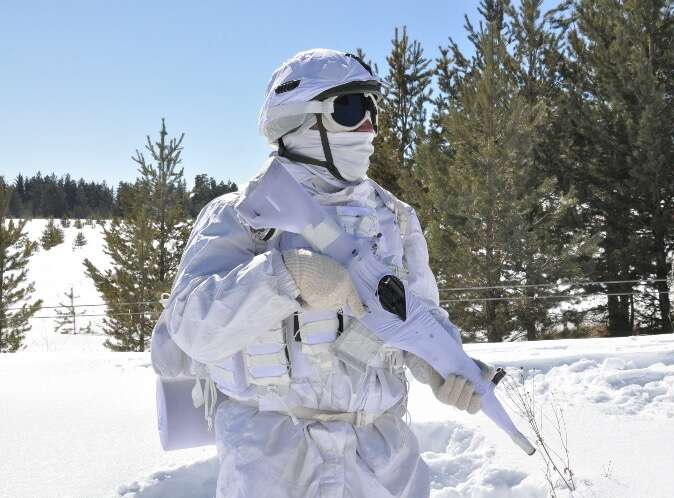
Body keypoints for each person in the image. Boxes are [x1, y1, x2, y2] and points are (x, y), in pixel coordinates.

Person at [153, 48, 495, 498]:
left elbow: (417, 315)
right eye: (349, 108)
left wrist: (440, 366)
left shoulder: (395, 217)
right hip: (271, 461)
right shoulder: (241, 215)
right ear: (296, 120)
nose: (368, 126)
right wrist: (285, 276)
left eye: (373, 109)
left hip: (383, 459)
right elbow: (191, 327)